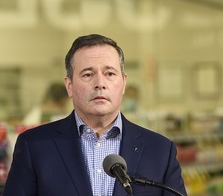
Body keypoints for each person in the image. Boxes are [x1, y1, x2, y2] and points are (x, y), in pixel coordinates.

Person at [3, 34, 187, 196]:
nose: (100, 83)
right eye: (88, 74)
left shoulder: (160, 150)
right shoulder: (34, 147)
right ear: (69, 86)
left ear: (123, 83)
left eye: (109, 73)